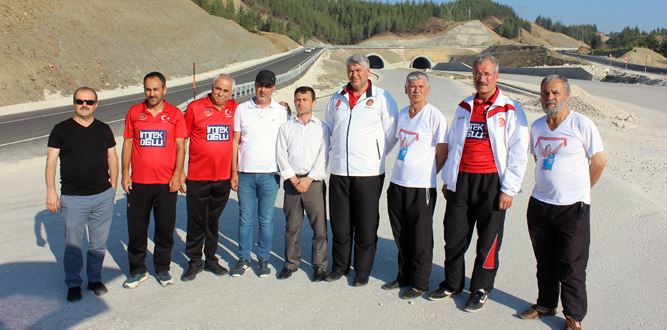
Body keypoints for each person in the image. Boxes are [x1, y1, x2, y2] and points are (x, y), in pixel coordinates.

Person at [429, 54, 529, 312]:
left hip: (492, 183)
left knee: (488, 240)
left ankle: (481, 288)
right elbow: (453, 145)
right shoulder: (464, 106)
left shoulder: (511, 109)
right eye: (477, 74)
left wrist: (509, 189)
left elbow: (519, 151)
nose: (481, 78)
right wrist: (449, 179)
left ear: (496, 76)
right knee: (453, 237)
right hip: (462, 181)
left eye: (486, 74)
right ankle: (452, 283)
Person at [519, 75, 606, 330]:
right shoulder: (537, 127)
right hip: (540, 204)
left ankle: (574, 317)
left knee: (571, 264)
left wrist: (582, 189)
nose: (550, 98)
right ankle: (545, 303)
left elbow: (599, 161)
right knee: (544, 260)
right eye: (545, 93)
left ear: (566, 94)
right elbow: (538, 158)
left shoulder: (581, 124)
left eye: (555, 92)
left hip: (573, 208)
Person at [325, 54, 398, 286]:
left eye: (358, 70)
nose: (354, 74)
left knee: (366, 224)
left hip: (368, 172)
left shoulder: (382, 98)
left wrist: (374, 154)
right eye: (351, 70)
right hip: (339, 171)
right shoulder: (337, 97)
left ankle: (363, 270)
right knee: (340, 223)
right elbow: (329, 128)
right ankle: (340, 266)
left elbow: (391, 132)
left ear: (368, 72)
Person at [46, 87, 118, 302]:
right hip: (73, 198)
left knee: (98, 244)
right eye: (80, 101)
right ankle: (74, 283)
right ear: (74, 103)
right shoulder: (61, 129)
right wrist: (51, 192)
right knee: (73, 246)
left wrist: (113, 187)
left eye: (89, 101)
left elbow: (112, 157)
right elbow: (51, 162)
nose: (84, 105)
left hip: (102, 196)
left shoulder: (104, 129)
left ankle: (94, 279)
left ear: (96, 104)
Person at [382, 72, 447, 299]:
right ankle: (404, 275)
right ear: (406, 90)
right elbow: (391, 142)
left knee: (420, 236)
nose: (416, 90)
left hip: (421, 187)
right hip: (398, 182)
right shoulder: (402, 115)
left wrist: (428, 173)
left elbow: (442, 151)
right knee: (401, 233)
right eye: (412, 86)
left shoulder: (434, 116)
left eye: (420, 86)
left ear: (427, 89)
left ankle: (420, 282)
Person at [121, 71, 187, 288]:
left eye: (155, 89)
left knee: (165, 229)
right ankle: (138, 270)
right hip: (139, 183)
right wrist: (125, 173)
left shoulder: (175, 114)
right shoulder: (134, 112)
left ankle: (162, 268)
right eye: (147, 89)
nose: (151, 93)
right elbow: (128, 143)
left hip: (166, 183)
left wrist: (178, 174)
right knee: (137, 229)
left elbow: (180, 146)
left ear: (164, 90)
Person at [229, 69, 289, 277]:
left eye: (268, 86)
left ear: (274, 87)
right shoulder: (242, 109)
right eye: (260, 85)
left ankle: (263, 258)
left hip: (270, 173)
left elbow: (286, 141)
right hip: (245, 172)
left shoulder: (281, 111)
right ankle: (244, 258)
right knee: (245, 219)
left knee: (266, 219)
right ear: (255, 85)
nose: (263, 89)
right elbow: (234, 142)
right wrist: (233, 172)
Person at [180, 74, 238, 281]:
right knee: (196, 221)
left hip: (222, 178)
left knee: (212, 221)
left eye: (225, 91)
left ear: (231, 93)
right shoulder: (195, 108)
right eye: (217, 89)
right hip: (198, 177)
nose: (220, 94)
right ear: (211, 88)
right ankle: (194, 261)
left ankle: (211, 259)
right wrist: (179, 171)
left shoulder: (235, 109)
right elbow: (182, 140)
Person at [275, 86, 328, 281]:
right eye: (297, 99)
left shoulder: (322, 128)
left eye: (305, 99)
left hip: (313, 183)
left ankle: (319, 265)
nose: (300, 103)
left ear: (313, 102)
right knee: (292, 226)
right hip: (292, 182)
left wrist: (309, 178)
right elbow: (280, 154)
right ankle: (290, 263)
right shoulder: (286, 127)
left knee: (319, 227)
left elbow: (324, 155)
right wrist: (291, 177)